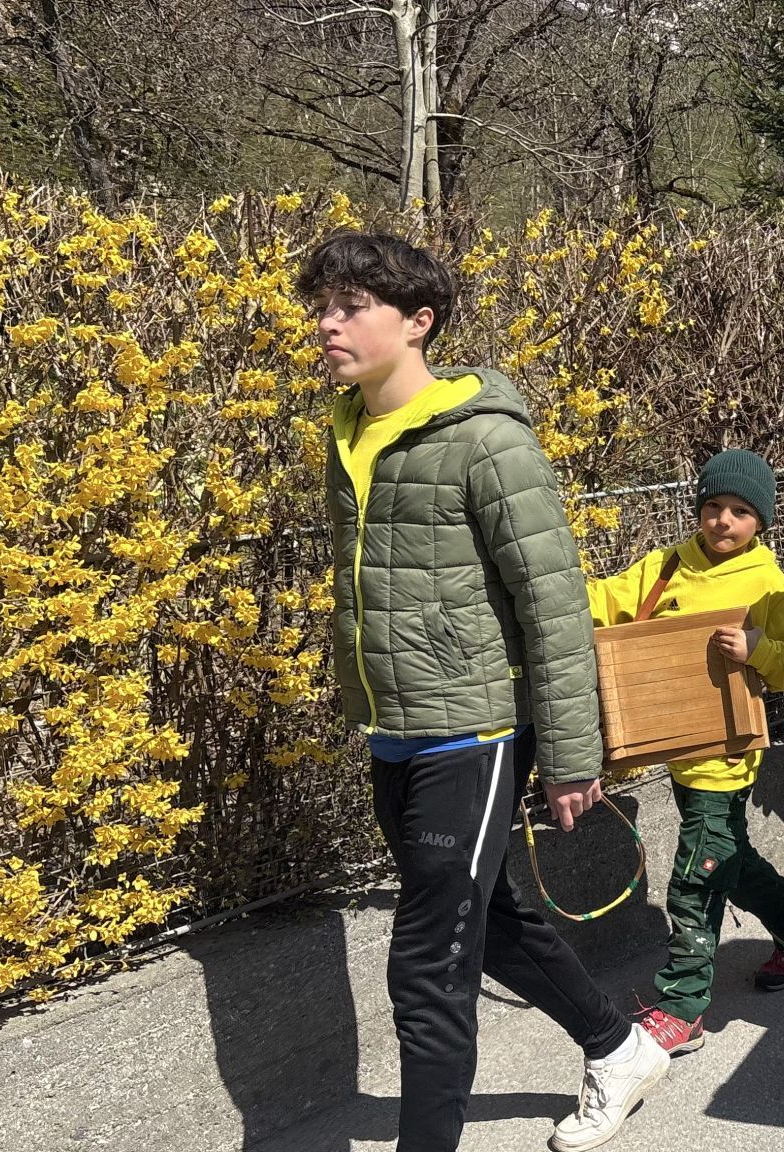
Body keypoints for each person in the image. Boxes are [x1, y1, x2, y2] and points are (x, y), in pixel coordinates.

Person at [302, 231, 663, 1152]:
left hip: (476, 730)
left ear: (418, 322)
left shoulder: (488, 441)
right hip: (395, 727)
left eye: (351, 307)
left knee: (428, 962)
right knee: (486, 918)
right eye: (322, 306)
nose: (327, 324)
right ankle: (620, 1047)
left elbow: (553, 603)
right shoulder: (346, 431)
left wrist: (573, 755)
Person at [587, 449, 784, 1056]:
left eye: (740, 511)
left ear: (761, 520)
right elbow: (600, 601)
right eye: (714, 505)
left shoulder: (767, 583)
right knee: (729, 859)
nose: (723, 520)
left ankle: (682, 1006)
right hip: (677, 751)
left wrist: (755, 649)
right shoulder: (665, 566)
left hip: (728, 757)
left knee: (697, 877)